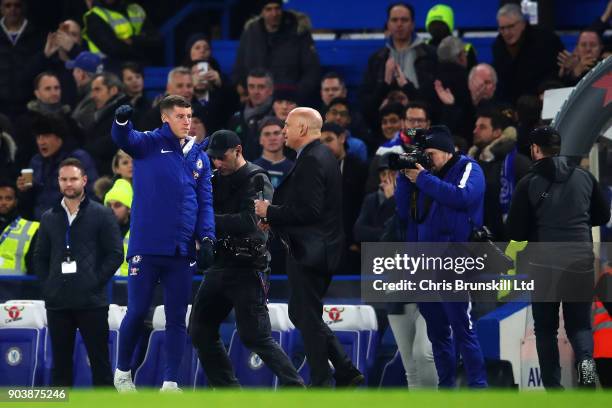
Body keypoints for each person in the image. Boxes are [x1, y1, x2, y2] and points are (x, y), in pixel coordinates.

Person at [111, 95, 215, 392]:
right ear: (165, 118)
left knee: (176, 317)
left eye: (189, 115)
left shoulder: (199, 157)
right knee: (138, 309)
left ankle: (171, 381)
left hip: (181, 250)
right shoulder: (148, 144)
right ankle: (122, 373)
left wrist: (207, 237)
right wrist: (121, 121)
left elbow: (205, 202)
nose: (187, 121)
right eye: (181, 116)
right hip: (146, 246)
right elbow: (124, 137)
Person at [254, 107, 363, 387]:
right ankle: (345, 369)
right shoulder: (319, 155)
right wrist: (276, 219)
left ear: (302, 129)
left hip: (311, 251)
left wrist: (270, 212)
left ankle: (323, 379)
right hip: (315, 248)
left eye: (287, 126)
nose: (283, 131)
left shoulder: (313, 159)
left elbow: (310, 211)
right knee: (301, 313)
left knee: (308, 316)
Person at [189, 129, 304, 387]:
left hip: (248, 267)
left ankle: (295, 387)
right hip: (219, 265)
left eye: (222, 157)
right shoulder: (214, 179)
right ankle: (229, 392)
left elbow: (250, 222)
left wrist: (208, 221)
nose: (217, 163)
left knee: (255, 336)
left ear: (238, 150)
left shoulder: (257, 177)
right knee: (199, 331)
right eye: (213, 158)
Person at [506, 127, 610, 389]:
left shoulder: (528, 183)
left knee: (545, 329)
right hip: (580, 261)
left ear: (535, 149)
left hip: (543, 266)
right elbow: (601, 216)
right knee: (581, 328)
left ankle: (554, 390)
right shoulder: (584, 177)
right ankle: (587, 379)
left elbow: (516, 232)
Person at [395, 125, 488, 388]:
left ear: (447, 151)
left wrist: (422, 178)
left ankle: (478, 389)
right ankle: (446, 389)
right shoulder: (423, 177)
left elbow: (462, 196)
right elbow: (405, 213)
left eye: (431, 154)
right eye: (423, 154)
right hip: (423, 261)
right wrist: (405, 178)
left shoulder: (468, 167)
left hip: (454, 259)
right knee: (437, 333)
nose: (427, 160)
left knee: (462, 329)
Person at [33, 157, 123, 386]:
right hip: (58, 304)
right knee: (59, 370)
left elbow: (115, 254)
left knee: (100, 368)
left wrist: (94, 282)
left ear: (84, 180)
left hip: (92, 303)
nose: (68, 184)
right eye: (63, 179)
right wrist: (48, 286)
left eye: (73, 178)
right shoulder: (49, 216)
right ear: (58, 182)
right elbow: (39, 257)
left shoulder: (102, 214)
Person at [360, 2, 437, 129]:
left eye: (404, 20)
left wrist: (407, 87)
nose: (399, 24)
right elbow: (367, 105)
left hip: (416, 128)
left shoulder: (429, 55)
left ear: (412, 24)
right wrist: (384, 85)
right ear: (388, 24)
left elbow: (434, 103)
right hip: (386, 128)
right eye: (394, 20)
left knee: (411, 138)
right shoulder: (377, 59)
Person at [233, 0, 320, 104]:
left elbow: (311, 70)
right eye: (269, 9)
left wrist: (297, 96)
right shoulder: (251, 32)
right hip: (258, 100)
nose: (274, 14)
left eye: (277, 8)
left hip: (290, 101)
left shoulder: (299, 30)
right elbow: (239, 68)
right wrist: (245, 93)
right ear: (262, 12)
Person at [16, 114, 98, 220]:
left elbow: (91, 194)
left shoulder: (79, 158)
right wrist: (24, 191)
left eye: (46, 136)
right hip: (39, 224)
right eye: (38, 137)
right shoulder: (36, 161)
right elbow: (29, 203)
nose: (41, 142)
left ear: (59, 138)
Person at [320, 122, 367, 275]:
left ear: (342, 138)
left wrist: (356, 241)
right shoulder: (316, 168)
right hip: (324, 244)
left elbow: (362, 206)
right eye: (321, 142)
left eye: (328, 140)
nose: (324, 146)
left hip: (350, 243)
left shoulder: (359, 167)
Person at [492, 3, 563, 103]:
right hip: (511, 105)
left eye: (510, 27)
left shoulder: (546, 41)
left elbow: (554, 74)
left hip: (541, 100)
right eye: (502, 28)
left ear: (523, 24)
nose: (507, 32)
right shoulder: (498, 47)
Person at [83, 72, 130, 175]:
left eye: (97, 90)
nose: (92, 95)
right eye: (92, 90)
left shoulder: (124, 112)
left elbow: (113, 141)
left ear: (113, 90)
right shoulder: (101, 113)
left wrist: (85, 150)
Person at [227, 68, 274, 161]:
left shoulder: (277, 116)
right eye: (251, 86)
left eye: (261, 87)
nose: (256, 91)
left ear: (270, 90)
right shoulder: (236, 118)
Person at [0, 180, 38, 275]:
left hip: (17, 286)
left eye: (8, 198)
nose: (3, 202)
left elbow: (34, 266)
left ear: (16, 201)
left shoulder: (32, 228)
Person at [253, 116, 293, 189]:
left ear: (284, 137)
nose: (272, 138)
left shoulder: (293, 169)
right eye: (267, 134)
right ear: (260, 140)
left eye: (276, 133)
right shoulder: (252, 169)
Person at [104, 178, 132, 276]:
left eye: (117, 205)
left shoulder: (140, 233)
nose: (112, 210)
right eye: (108, 205)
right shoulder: (99, 231)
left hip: (130, 285)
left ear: (129, 209)